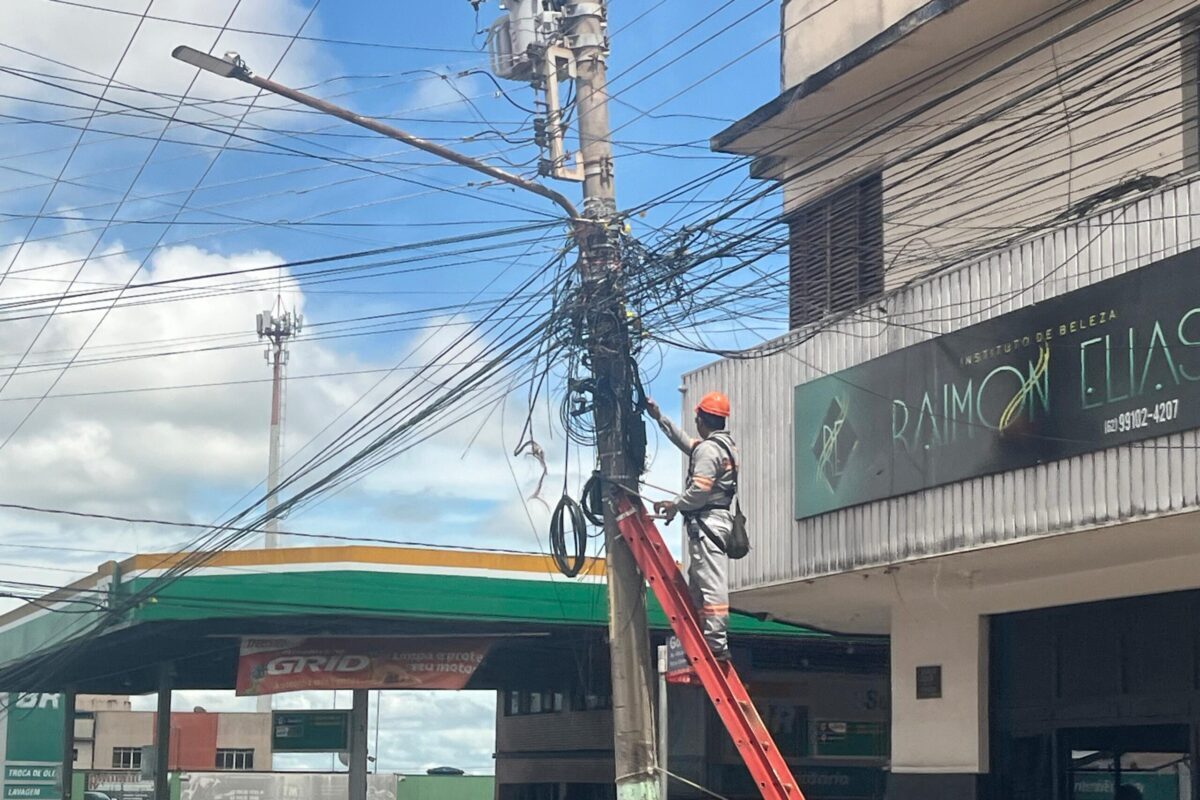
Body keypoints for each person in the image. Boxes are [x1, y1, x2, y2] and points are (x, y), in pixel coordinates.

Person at [646, 391, 738, 661]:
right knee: (698, 584)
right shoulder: (723, 446)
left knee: (711, 583)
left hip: (708, 523)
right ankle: (705, 637)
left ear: (701, 419)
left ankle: (715, 642)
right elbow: (687, 443)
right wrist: (660, 417)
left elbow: (699, 491)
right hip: (713, 522)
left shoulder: (710, 450)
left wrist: (674, 505)